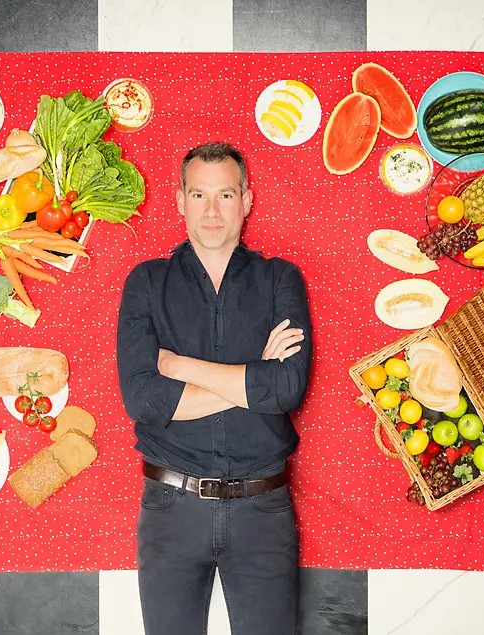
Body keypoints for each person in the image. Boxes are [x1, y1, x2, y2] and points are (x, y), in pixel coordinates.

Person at [117, 141, 313, 635]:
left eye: (224, 195)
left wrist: (179, 365)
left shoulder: (279, 279)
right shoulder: (145, 281)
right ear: (179, 199)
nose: (211, 210)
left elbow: (286, 389)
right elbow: (144, 401)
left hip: (262, 510)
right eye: (198, 195)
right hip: (170, 509)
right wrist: (253, 377)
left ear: (246, 200)